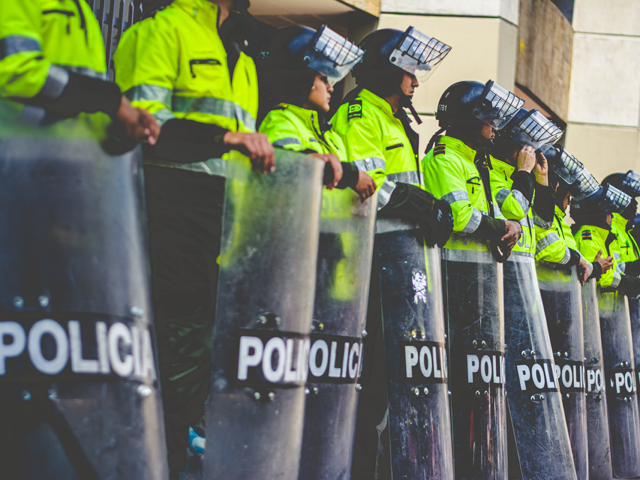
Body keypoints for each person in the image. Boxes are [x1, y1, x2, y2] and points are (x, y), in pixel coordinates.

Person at [114, 1, 275, 477]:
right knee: (170, 350)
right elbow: (146, 127)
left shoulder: (243, 57)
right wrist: (225, 138)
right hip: (168, 209)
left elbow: (252, 145)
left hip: (223, 219)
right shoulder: (161, 32)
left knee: (205, 354)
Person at [331, 27, 454, 479]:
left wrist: (429, 210)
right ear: (386, 69)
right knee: (363, 386)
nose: (416, 82)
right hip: (365, 266)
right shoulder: (361, 112)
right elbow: (372, 189)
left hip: (397, 264)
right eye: (409, 72)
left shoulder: (393, 116)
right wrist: (422, 204)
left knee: (385, 383)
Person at [422, 79, 524, 480]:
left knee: (474, 388)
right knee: (454, 386)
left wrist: (502, 228)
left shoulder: (473, 162)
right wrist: (499, 226)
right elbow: (461, 217)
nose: (494, 128)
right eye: (487, 120)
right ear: (468, 121)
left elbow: (507, 216)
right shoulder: (445, 158)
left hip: (477, 286)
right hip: (450, 283)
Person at [0, 0, 158, 144]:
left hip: (58, 158)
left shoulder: (80, 9)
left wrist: (120, 123)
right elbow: (15, 72)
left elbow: (83, 100)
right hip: (18, 155)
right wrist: (110, 101)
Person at [257, 25, 376, 199]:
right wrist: (349, 175)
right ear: (301, 79)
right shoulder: (282, 120)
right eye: (323, 78)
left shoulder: (327, 133)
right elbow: (285, 166)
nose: (331, 88)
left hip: (325, 226)